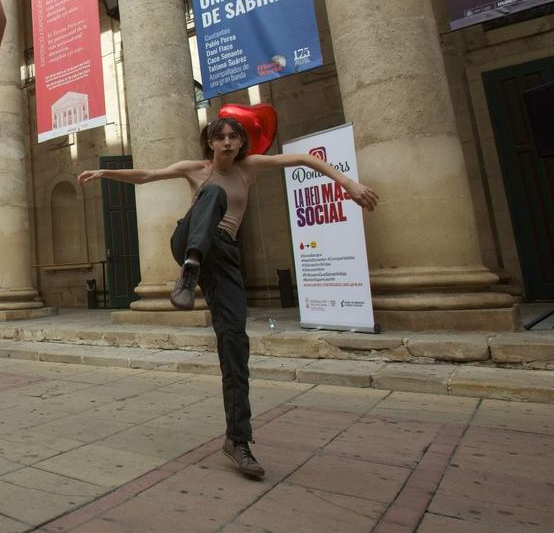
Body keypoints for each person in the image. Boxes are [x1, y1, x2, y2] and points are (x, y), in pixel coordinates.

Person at [77, 116, 379, 479]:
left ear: (241, 143)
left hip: (225, 258)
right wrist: (106, 174)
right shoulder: (195, 169)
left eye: (233, 137)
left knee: (235, 344)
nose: (226, 143)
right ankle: (190, 267)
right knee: (214, 194)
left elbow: (302, 160)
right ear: (209, 142)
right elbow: (148, 175)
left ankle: (237, 440)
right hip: (189, 240)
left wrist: (348, 183)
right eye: (219, 137)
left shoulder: (248, 168)